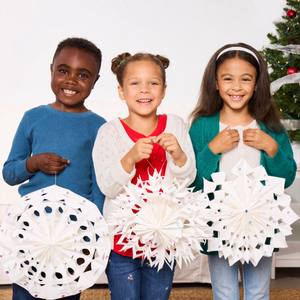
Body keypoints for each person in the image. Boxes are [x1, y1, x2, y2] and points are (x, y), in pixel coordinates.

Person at [189, 42, 297, 300]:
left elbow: (287, 176)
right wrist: (212, 150)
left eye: (245, 79)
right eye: (228, 78)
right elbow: (191, 181)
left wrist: (272, 149)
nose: (236, 87)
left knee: (258, 292)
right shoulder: (203, 127)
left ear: (257, 84)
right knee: (224, 292)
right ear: (215, 83)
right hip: (219, 223)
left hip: (261, 222)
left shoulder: (270, 126)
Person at [2, 37, 106, 300]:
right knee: (25, 293)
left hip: (74, 235)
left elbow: (99, 186)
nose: (71, 80)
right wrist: (33, 162)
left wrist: (91, 239)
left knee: (66, 294)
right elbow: (9, 172)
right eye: (63, 70)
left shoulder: (98, 126)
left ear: (95, 80)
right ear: (51, 70)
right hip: (30, 230)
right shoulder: (33, 118)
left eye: (83, 75)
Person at [92, 52, 196, 300]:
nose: (144, 90)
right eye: (135, 83)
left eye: (153, 83)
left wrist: (179, 156)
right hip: (121, 243)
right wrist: (129, 159)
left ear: (164, 89)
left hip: (163, 239)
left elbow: (187, 180)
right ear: (121, 91)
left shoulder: (176, 125)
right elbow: (107, 187)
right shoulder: (109, 132)